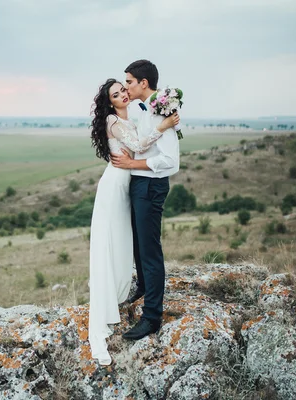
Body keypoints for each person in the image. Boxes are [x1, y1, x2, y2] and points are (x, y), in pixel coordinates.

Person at [88, 78, 179, 365]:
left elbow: (140, 145)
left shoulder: (136, 113)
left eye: (123, 89)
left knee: (126, 238)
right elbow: (139, 144)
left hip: (131, 182)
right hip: (116, 183)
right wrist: (162, 127)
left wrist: (169, 126)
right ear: (110, 102)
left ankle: (124, 286)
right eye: (116, 94)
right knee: (112, 237)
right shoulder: (113, 121)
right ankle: (109, 291)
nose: (122, 94)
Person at [110, 59, 181, 341]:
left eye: (128, 81)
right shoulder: (145, 111)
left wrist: (132, 166)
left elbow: (170, 161)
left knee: (150, 252)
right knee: (139, 245)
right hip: (140, 184)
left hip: (151, 186)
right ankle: (142, 287)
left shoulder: (160, 114)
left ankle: (152, 317)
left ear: (143, 83)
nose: (126, 86)